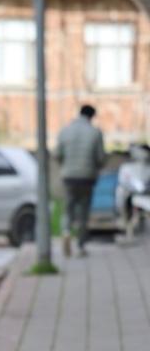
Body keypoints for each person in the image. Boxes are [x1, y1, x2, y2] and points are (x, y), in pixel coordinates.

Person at [55, 104, 107, 258]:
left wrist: (66, 165)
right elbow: (100, 158)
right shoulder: (95, 132)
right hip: (87, 178)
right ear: (92, 116)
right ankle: (80, 246)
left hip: (68, 176)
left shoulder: (65, 130)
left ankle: (65, 233)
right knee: (83, 212)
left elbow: (57, 154)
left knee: (68, 209)